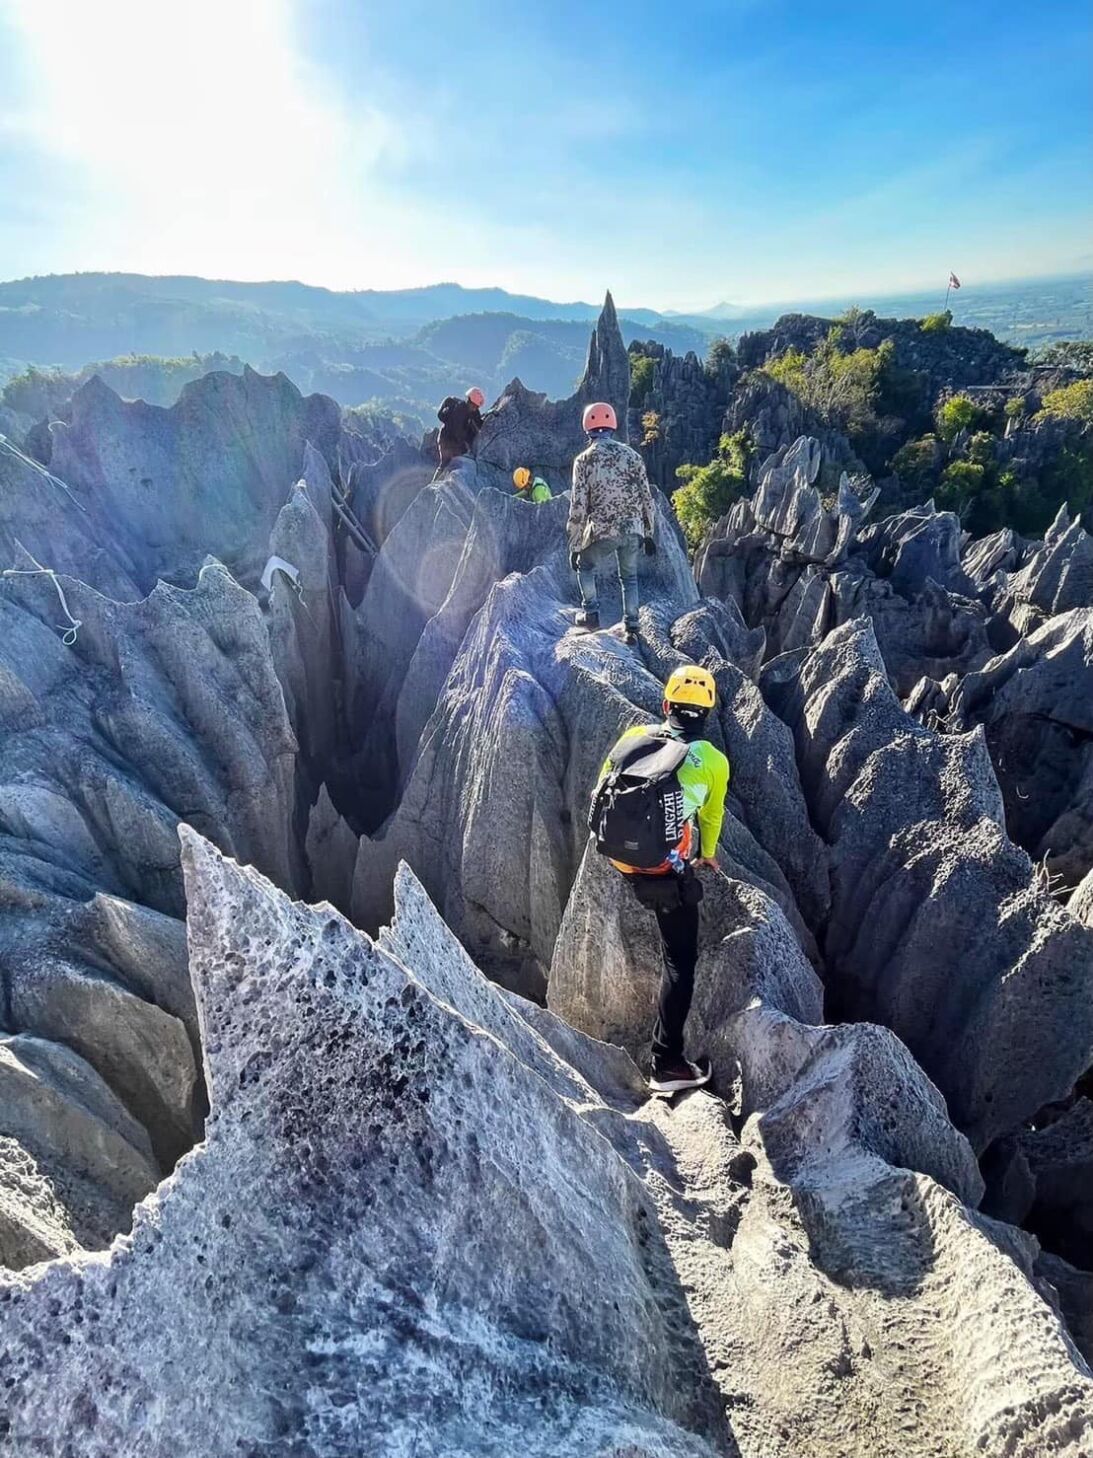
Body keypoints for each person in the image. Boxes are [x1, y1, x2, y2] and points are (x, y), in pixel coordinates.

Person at [589, 665, 730, 1093]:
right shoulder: (713, 761)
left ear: (666, 706)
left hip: (617, 857)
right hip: (661, 871)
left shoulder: (634, 736)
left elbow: (601, 789)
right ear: (708, 714)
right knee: (679, 963)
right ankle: (666, 1064)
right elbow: (711, 816)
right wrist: (706, 855)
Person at [568, 401, 656, 645]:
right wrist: (649, 532)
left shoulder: (583, 460)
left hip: (603, 529)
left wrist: (575, 545)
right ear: (612, 426)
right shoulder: (633, 456)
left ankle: (591, 615)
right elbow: (646, 497)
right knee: (629, 578)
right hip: (633, 528)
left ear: (588, 429)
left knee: (585, 565)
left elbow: (578, 506)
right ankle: (632, 627)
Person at [433, 387, 489, 479]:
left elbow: (479, 423)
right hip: (446, 440)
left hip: (455, 440)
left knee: (456, 463)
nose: (475, 409)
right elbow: (457, 433)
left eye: (477, 407)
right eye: (474, 406)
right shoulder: (459, 410)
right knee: (445, 462)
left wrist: (490, 415)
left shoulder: (472, 411)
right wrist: (465, 446)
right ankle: (434, 483)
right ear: (469, 401)